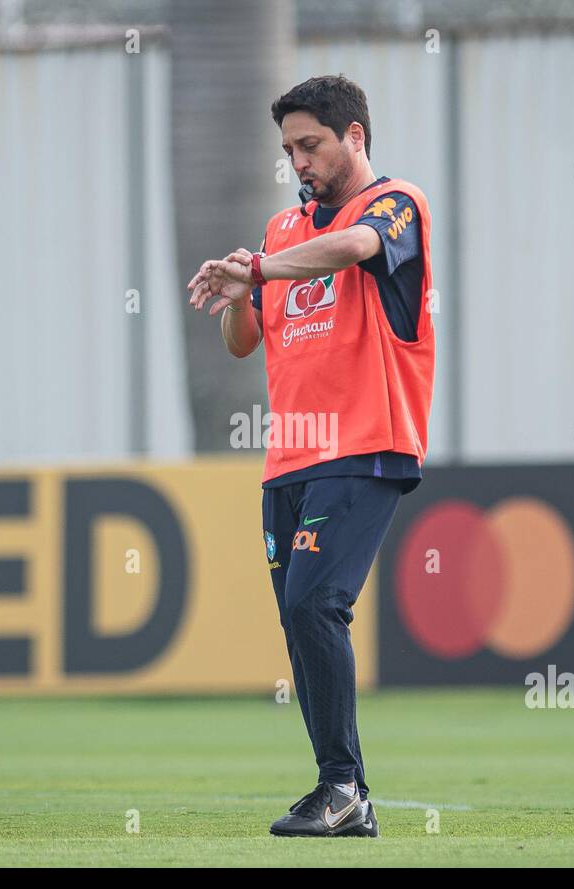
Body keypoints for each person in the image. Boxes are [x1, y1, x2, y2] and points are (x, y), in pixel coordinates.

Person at [187, 75, 436, 837]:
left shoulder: (393, 204)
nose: (298, 160)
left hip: (365, 442)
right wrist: (238, 287)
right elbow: (242, 340)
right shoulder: (280, 230)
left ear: (354, 137)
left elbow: (357, 248)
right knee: (301, 620)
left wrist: (259, 270)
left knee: (313, 603)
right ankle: (346, 793)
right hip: (288, 459)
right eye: (290, 148)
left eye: (311, 144)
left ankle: (341, 785)